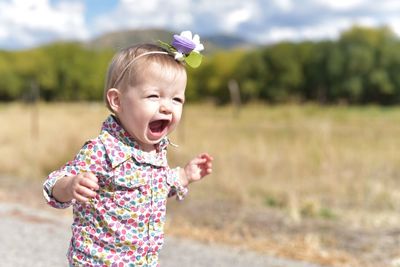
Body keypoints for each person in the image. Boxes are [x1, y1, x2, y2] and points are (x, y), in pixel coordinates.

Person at [43, 31, 213, 266]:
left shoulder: (155, 150)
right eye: (154, 96)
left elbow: (156, 187)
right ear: (117, 101)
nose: (167, 108)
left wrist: (184, 175)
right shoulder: (102, 151)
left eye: (177, 100)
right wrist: (70, 185)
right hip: (99, 261)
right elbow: (53, 184)